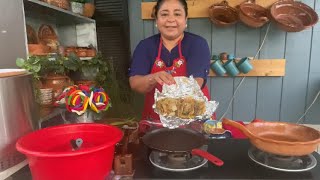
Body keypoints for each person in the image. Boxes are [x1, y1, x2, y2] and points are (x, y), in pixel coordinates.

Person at [129, 0, 213, 132]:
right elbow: (135, 83)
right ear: (156, 20)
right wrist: (153, 77)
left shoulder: (197, 44)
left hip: (193, 119)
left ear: (185, 20)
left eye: (177, 14)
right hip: (157, 122)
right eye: (164, 14)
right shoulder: (145, 46)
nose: (171, 19)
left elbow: (198, 81)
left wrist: (177, 104)